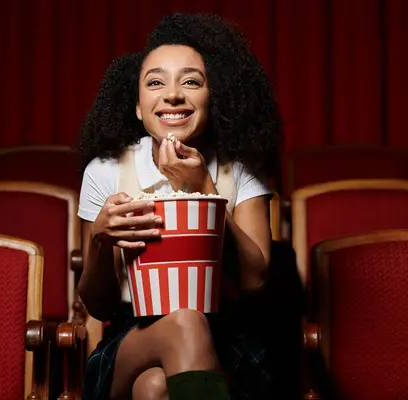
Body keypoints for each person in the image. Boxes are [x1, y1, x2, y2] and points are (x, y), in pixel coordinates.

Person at [76, 12, 282, 400]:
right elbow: (99, 305)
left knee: (155, 388)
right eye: (155, 82)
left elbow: (255, 281)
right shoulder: (104, 171)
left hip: (226, 341)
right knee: (184, 323)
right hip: (129, 337)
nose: (173, 94)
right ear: (138, 107)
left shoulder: (239, 169)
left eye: (191, 81)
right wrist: (100, 240)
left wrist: (204, 188)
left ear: (213, 98)